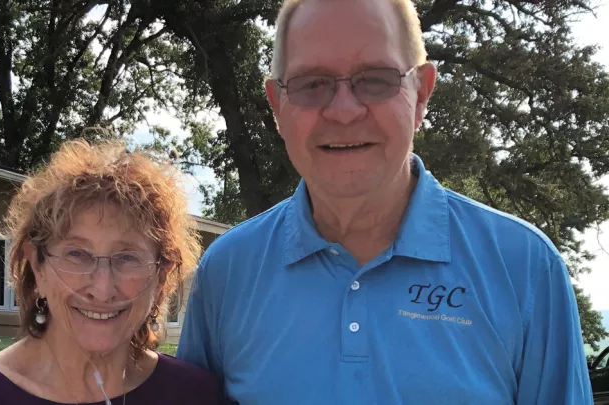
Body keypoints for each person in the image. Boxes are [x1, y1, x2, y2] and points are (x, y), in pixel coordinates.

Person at [175, 0, 594, 404]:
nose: (342, 111)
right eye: (311, 84)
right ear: (277, 105)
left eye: (375, 79)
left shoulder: (524, 269)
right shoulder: (227, 273)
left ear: (422, 93)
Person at [0, 138, 223, 404]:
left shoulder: (194, 395)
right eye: (77, 255)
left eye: (127, 257)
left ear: (161, 275)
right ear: (37, 265)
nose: (102, 289)